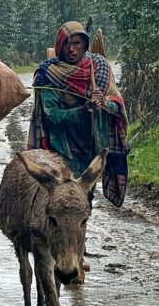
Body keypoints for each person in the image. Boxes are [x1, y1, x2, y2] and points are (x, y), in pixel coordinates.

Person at [27, 21, 129, 208]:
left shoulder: (98, 68)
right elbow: (52, 116)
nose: (71, 49)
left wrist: (102, 103)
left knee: (84, 198)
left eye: (76, 44)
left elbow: (117, 106)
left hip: (91, 146)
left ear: (84, 45)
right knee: (59, 197)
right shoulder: (48, 74)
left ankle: (78, 235)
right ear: (59, 46)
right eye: (67, 44)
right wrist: (83, 109)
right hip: (60, 148)